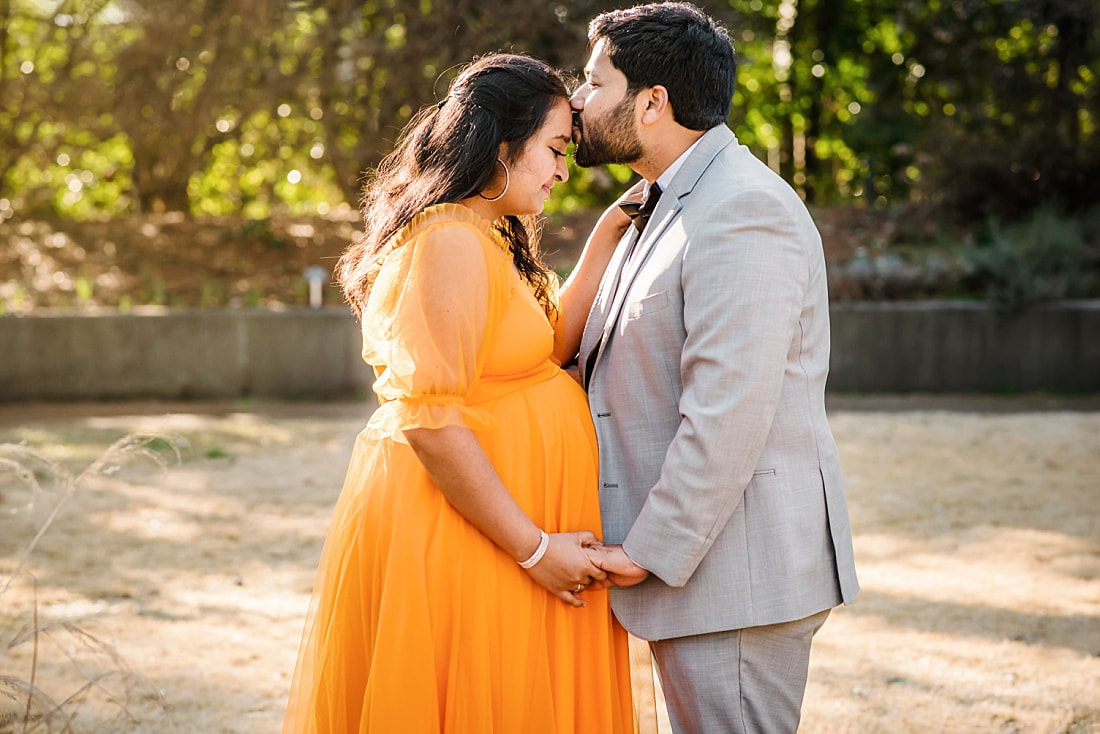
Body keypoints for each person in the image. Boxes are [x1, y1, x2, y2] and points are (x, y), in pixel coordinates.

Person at [282, 53, 635, 734]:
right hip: (472, 532)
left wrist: (607, 236)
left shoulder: (488, 233)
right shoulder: (446, 238)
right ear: (501, 145)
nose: (564, 171)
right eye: (555, 150)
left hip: (498, 526)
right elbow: (429, 420)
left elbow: (547, 347)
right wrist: (534, 549)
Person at [569, 3, 860, 733]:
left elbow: (728, 413)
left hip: (738, 575)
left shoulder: (741, 210)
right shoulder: (664, 203)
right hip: (708, 577)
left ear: (653, 102)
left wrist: (645, 549)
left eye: (593, 81)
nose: (577, 99)